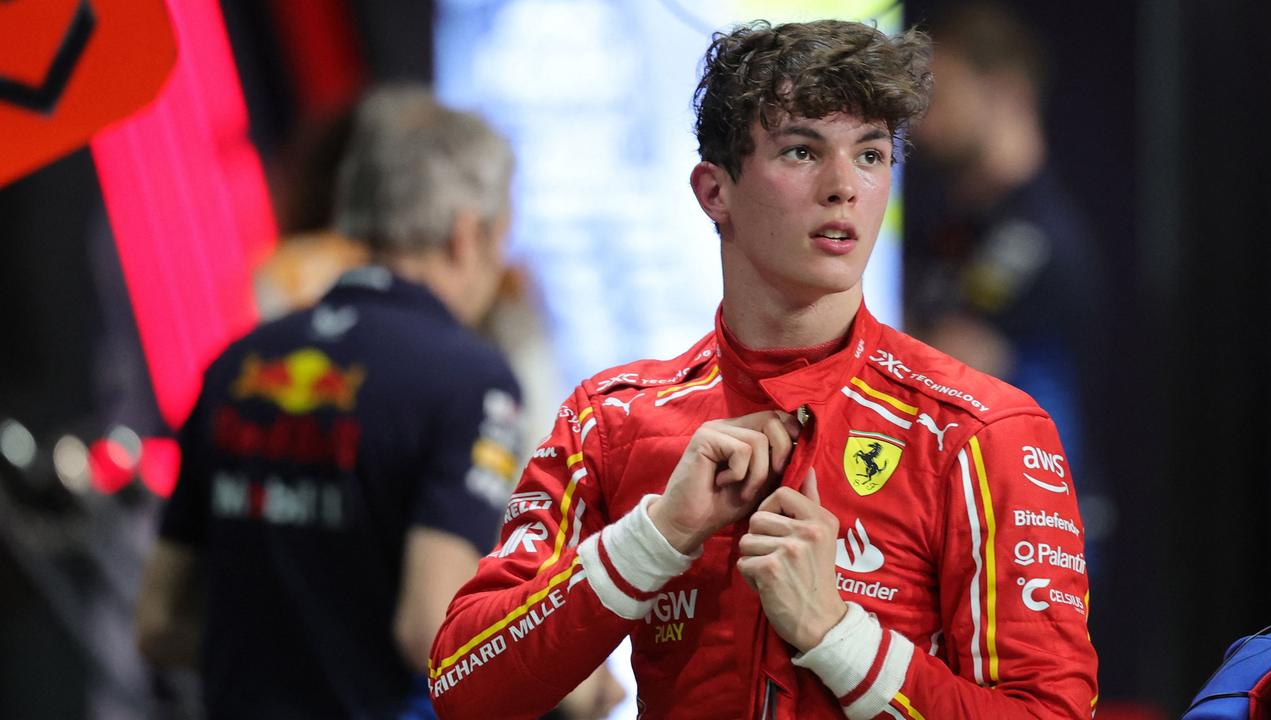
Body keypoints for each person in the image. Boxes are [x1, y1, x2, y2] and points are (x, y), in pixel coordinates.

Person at [428, 18, 1097, 720]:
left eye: (870, 155)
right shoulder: (612, 421)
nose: (844, 187)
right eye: (803, 151)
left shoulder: (983, 432)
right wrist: (653, 539)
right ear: (714, 192)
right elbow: (465, 689)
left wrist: (839, 640)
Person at [134, 85, 522, 719]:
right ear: (466, 235)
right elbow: (433, 632)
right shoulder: (470, 380)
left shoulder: (238, 363)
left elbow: (159, 621)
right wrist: (572, 679)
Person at [905, 2, 1111, 574]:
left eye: (941, 96)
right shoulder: (947, 230)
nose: (923, 120)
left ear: (1005, 90)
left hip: (1031, 539)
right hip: (962, 523)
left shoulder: (1039, 236)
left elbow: (950, 365)